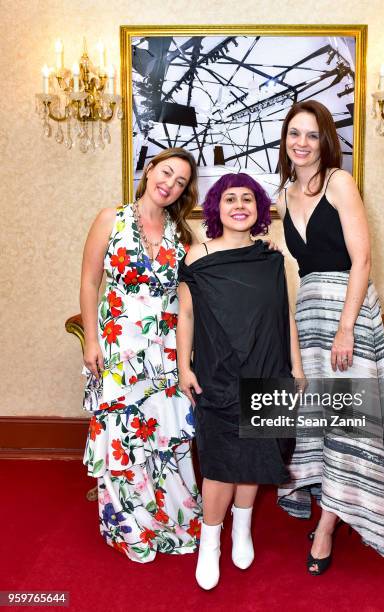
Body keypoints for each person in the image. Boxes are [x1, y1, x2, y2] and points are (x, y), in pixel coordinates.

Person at [275, 100, 384, 573]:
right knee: (322, 421)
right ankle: (332, 506)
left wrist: (347, 327)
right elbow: (287, 261)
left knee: (348, 421)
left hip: (346, 317)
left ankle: (328, 527)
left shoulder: (339, 182)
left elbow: (363, 260)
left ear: (325, 140)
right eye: (295, 133)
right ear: (285, 138)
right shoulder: (283, 193)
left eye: (312, 134)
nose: (302, 143)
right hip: (309, 312)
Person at [177, 173, 303, 590]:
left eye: (247, 198)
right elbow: (187, 316)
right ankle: (209, 540)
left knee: (258, 454)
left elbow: (284, 316)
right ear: (216, 207)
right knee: (219, 462)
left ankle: (242, 527)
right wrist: (184, 366)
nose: (239, 205)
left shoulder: (271, 259)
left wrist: (296, 368)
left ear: (258, 209)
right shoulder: (197, 256)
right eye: (230, 198)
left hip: (268, 368)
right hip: (218, 373)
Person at [80, 148, 202, 562]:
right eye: (166, 172)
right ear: (150, 170)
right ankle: (128, 523)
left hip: (163, 352)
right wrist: (91, 341)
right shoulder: (110, 219)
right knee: (121, 435)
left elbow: (194, 291)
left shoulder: (181, 235)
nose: (169, 183)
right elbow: (89, 280)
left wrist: (260, 252)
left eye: (180, 181)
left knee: (162, 434)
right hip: (117, 345)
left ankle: (170, 516)